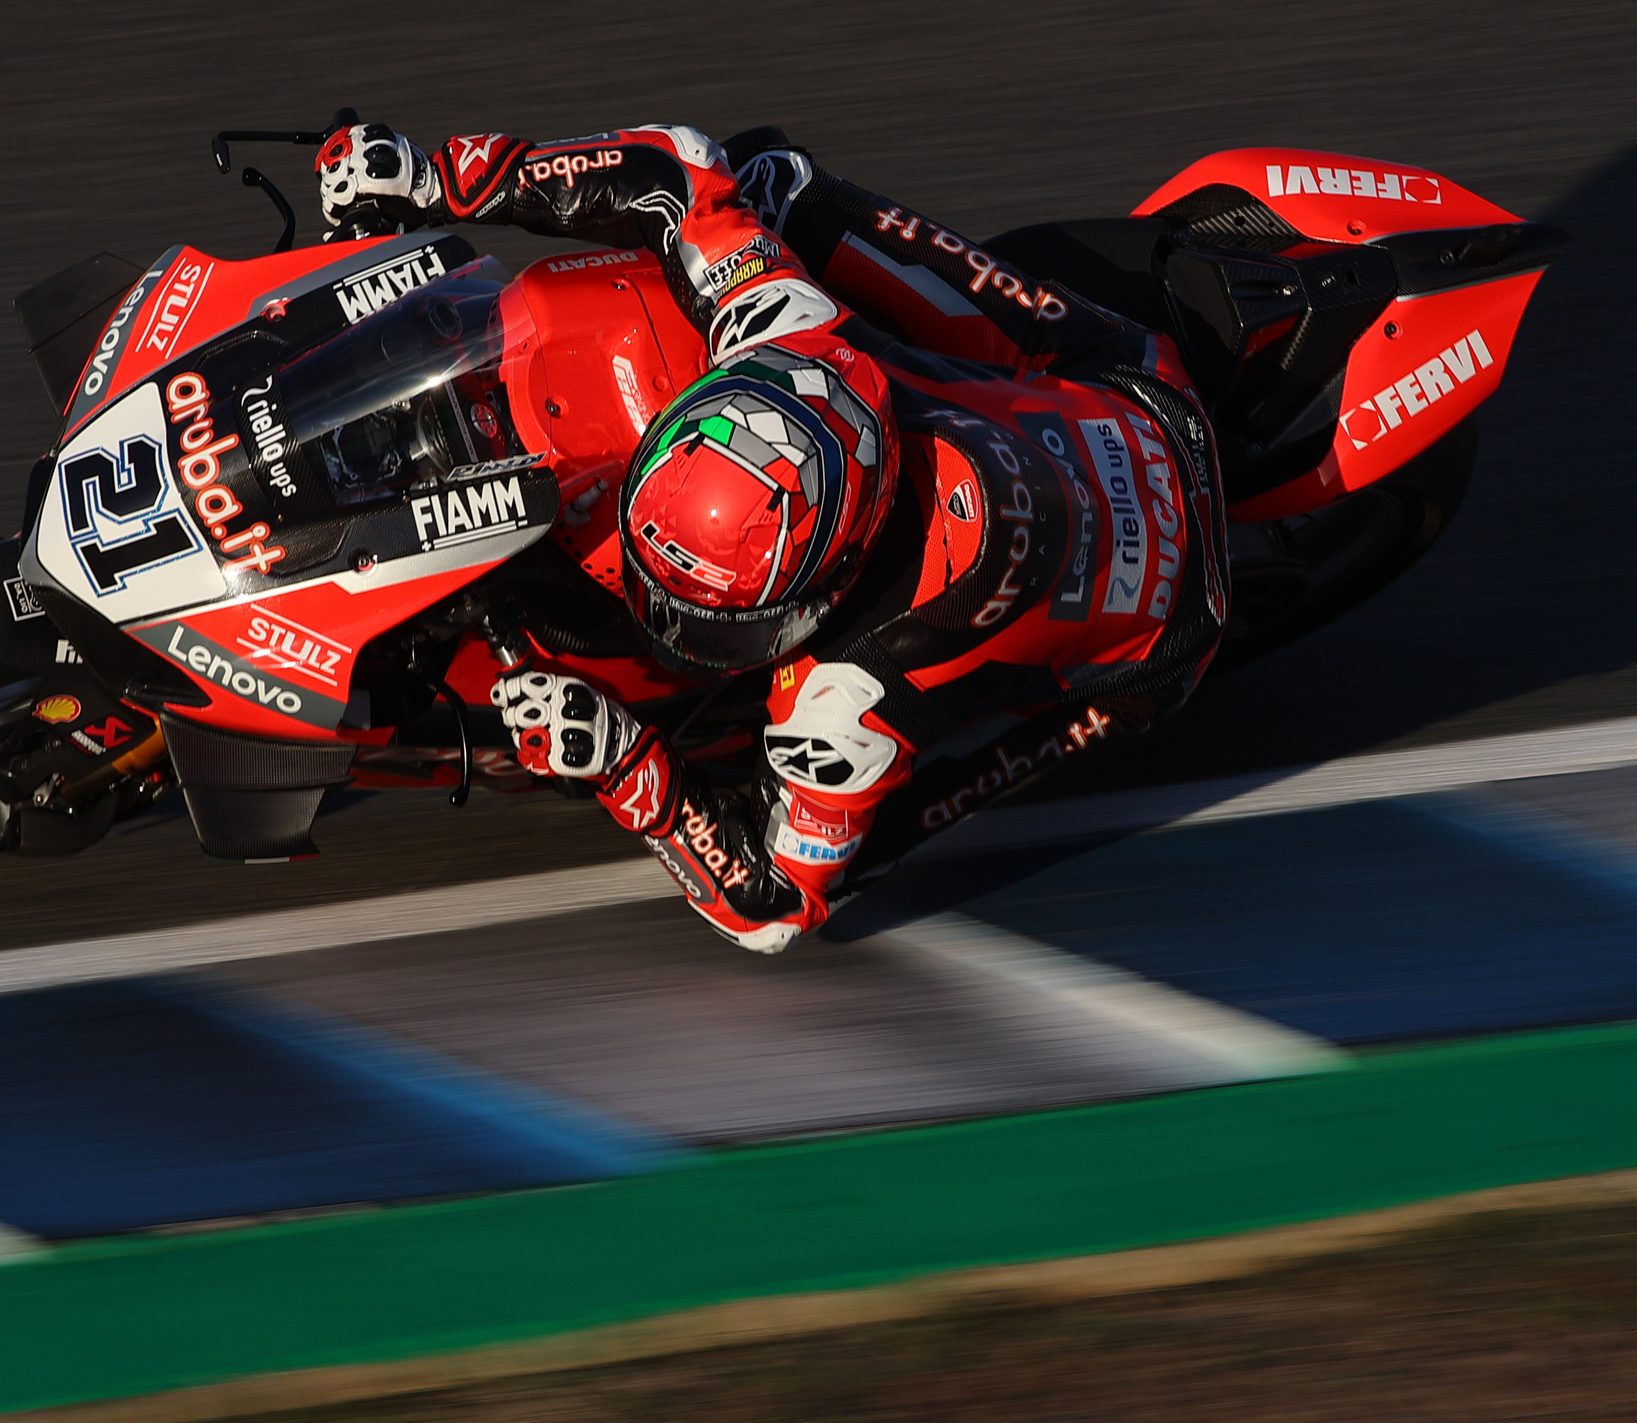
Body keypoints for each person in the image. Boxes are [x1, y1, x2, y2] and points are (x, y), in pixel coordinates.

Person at [316, 121, 1231, 951]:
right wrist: (438, 180)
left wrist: (629, 768)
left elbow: (772, 908)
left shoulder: (844, 701)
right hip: (1120, 384)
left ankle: (1032, 739)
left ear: (830, 586)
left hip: (1172, 630)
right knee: (767, 180)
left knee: (853, 850)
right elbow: (677, 169)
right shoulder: (787, 338)